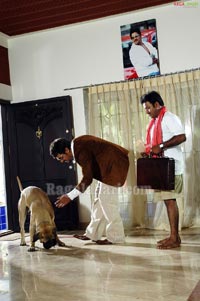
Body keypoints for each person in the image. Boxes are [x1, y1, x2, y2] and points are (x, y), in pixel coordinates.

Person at [49, 135, 129, 245]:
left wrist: (70, 196)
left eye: (61, 158)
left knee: (107, 201)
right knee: (98, 201)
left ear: (66, 150)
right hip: (106, 168)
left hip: (113, 166)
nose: (63, 161)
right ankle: (92, 234)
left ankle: (116, 238)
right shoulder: (78, 145)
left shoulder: (79, 149)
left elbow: (87, 178)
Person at [140, 91, 186, 249]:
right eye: (145, 108)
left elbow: (181, 137)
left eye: (148, 108)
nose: (146, 111)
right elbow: (155, 145)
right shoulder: (154, 123)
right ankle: (174, 236)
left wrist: (160, 146)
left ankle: (174, 238)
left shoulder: (169, 118)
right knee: (168, 201)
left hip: (172, 167)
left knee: (171, 201)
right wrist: (149, 150)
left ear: (157, 105)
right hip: (161, 167)